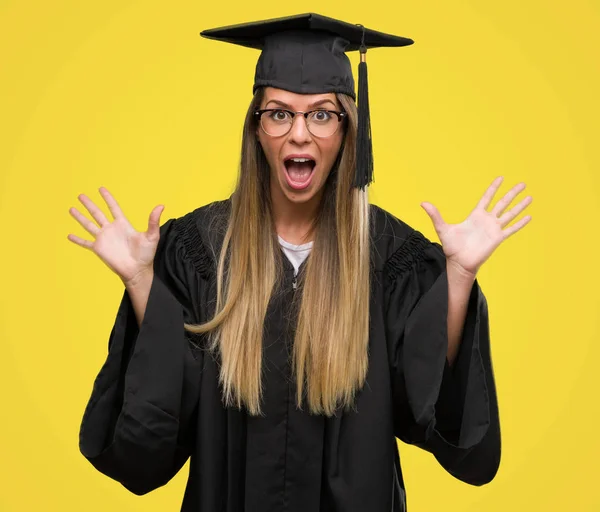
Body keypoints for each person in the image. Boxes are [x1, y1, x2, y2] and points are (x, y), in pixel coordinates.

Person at [68, 13, 532, 512]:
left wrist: (458, 278)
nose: (300, 134)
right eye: (280, 113)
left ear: (348, 129)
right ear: (256, 128)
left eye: (322, 114)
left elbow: (425, 407)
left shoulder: (388, 256)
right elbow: (158, 430)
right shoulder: (201, 249)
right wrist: (142, 282)